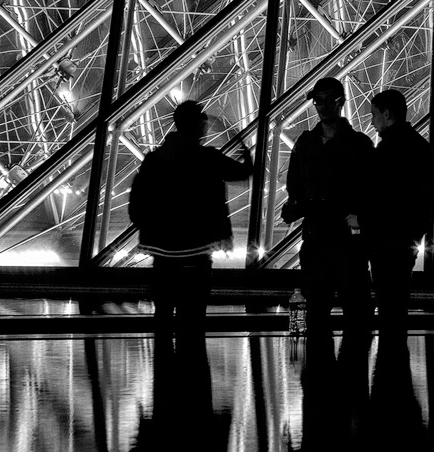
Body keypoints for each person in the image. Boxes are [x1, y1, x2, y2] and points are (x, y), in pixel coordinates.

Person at [129, 99, 252, 328]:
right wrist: (246, 150)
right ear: (200, 125)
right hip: (197, 251)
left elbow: (137, 203)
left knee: (163, 318)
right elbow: (243, 172)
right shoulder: (208, 158)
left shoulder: (154, 160)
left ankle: (164, 359)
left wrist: (148, 227)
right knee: (193, 320)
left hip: (161, 252)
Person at [282, 76, 376, 325]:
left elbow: (371, 189)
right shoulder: (309, 142)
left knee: (353, 310)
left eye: (327, 101)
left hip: (344, 239)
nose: (322, 106)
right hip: (318, 237)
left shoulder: (357, 144)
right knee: (319, 310)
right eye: (317, 102)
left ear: (341, 102)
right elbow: (295, 185)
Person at [353, 88, 434, 326]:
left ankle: (390, 358)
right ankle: (395, 355)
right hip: (408, 239)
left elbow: (384, 199)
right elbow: (425, 199)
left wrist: (361, 221)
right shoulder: (421, 147)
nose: (371, 122)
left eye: (374, 115)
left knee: (388, 304)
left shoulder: (388, 149)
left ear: (386, 114)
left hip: (385, 241)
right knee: (397, 305)